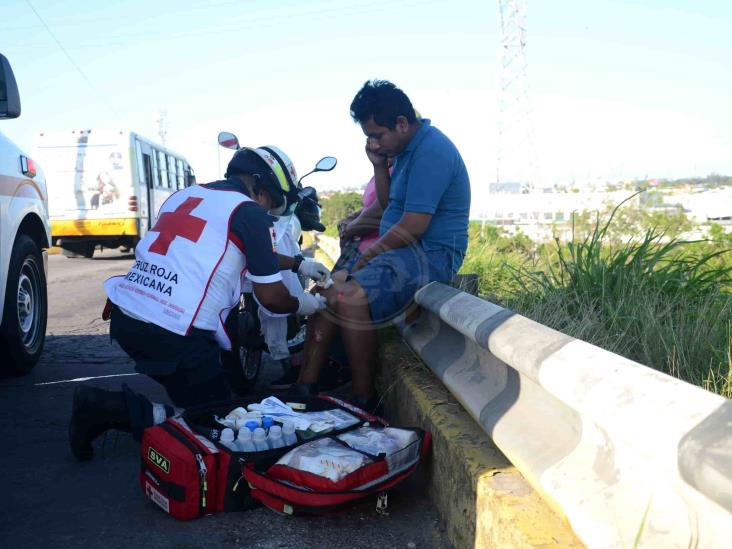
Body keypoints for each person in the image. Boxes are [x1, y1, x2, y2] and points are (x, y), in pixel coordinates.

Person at [69, 145, 331, 461]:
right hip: (173, 333)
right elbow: (272, 299)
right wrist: (308, 304)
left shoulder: (187, 195)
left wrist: (298, 264)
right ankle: (107, 408)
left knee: (209, 407)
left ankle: (157, 410)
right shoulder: (249, 212)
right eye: (271, 200)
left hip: (129, 317)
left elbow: (247, 250)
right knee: (225, 427)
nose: (267, 208)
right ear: (259, 186)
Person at [296, 80, 471, 411]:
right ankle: (305, 389)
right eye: (368, 137)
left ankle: (363, 397)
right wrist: (379, 165)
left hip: (429, 255)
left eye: (378, 135)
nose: (373, 142)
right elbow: (393, 205)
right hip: (403, 252)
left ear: (402, 123)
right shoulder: (405, 150)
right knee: (324, 295)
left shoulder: (431, 151)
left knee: (348, 295)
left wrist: (367, 258)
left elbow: (415, 225)